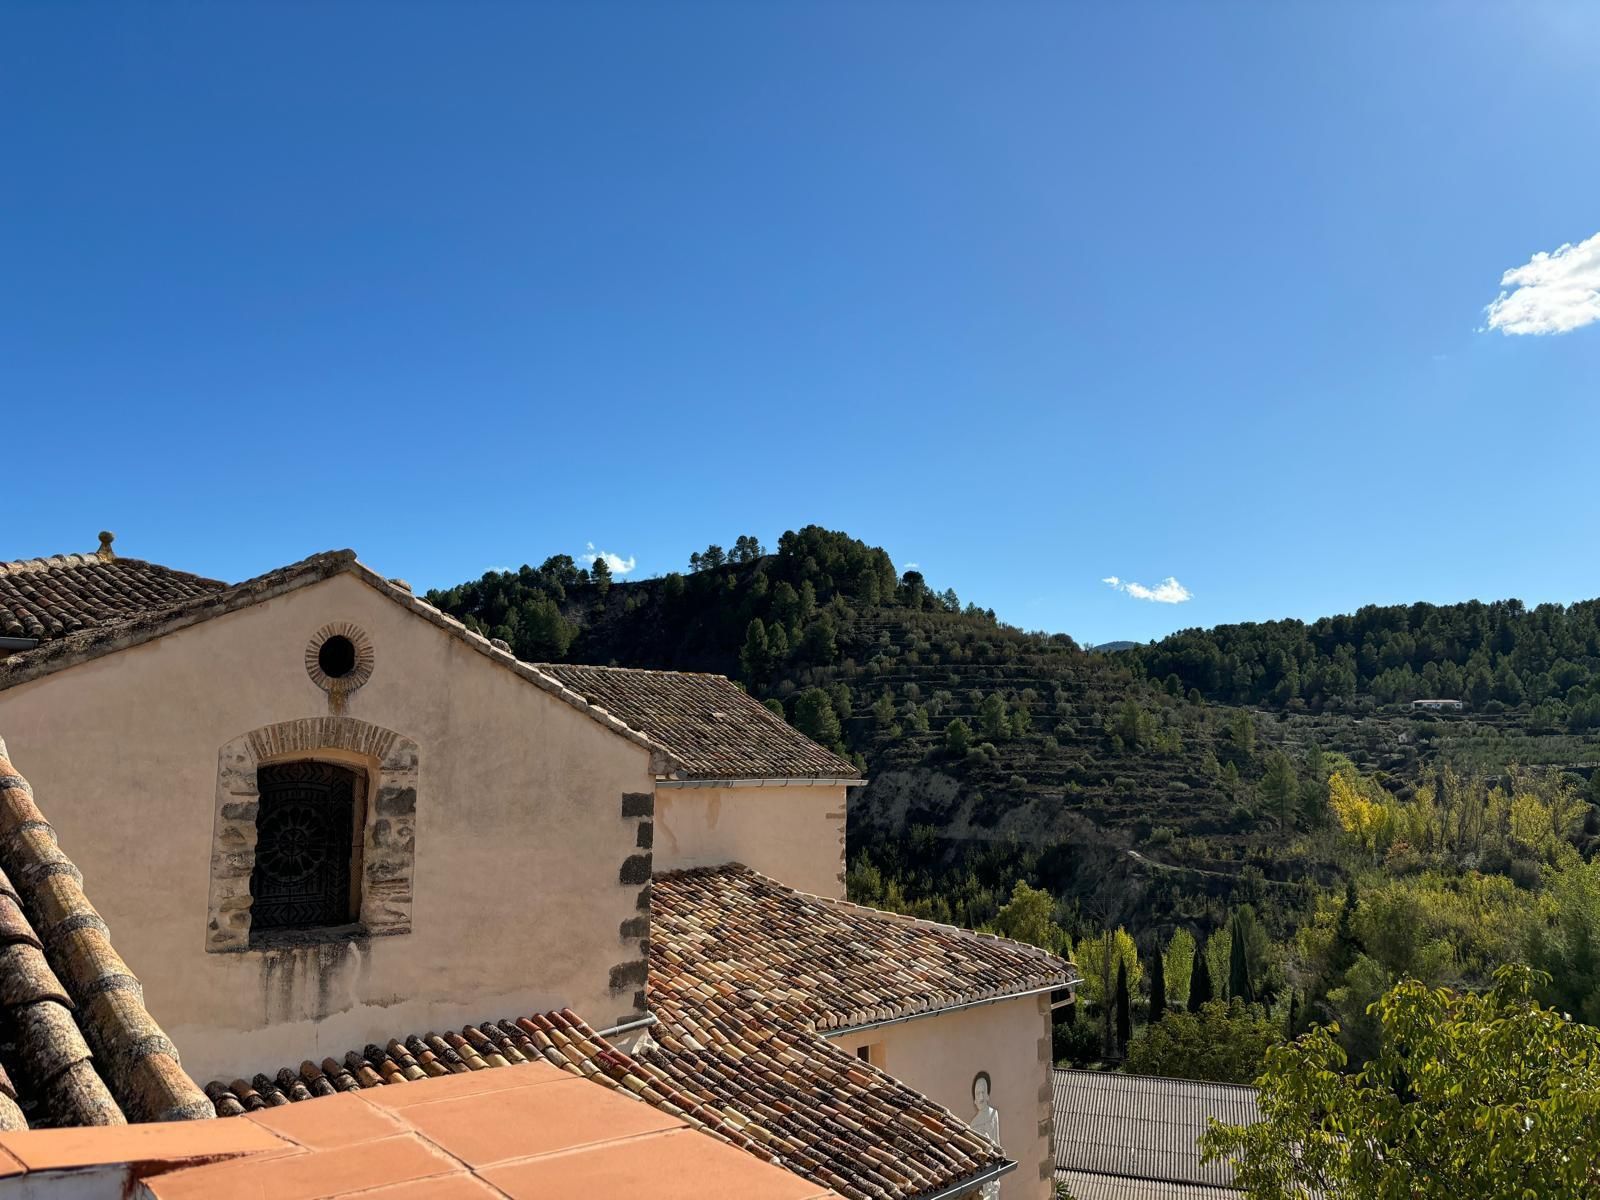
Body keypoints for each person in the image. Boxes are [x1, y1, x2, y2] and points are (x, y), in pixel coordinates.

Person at [970, 1071, 1001, 1199]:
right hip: (983, 1175)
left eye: (983, 1092)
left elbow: (997, 1143)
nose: (981, 1097)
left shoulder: (994, 1114)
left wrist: (997, 1174)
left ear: (988, 1095)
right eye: (978, 1094)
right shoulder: (973, 1125)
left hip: (994, 1173)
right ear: (974, 1099)